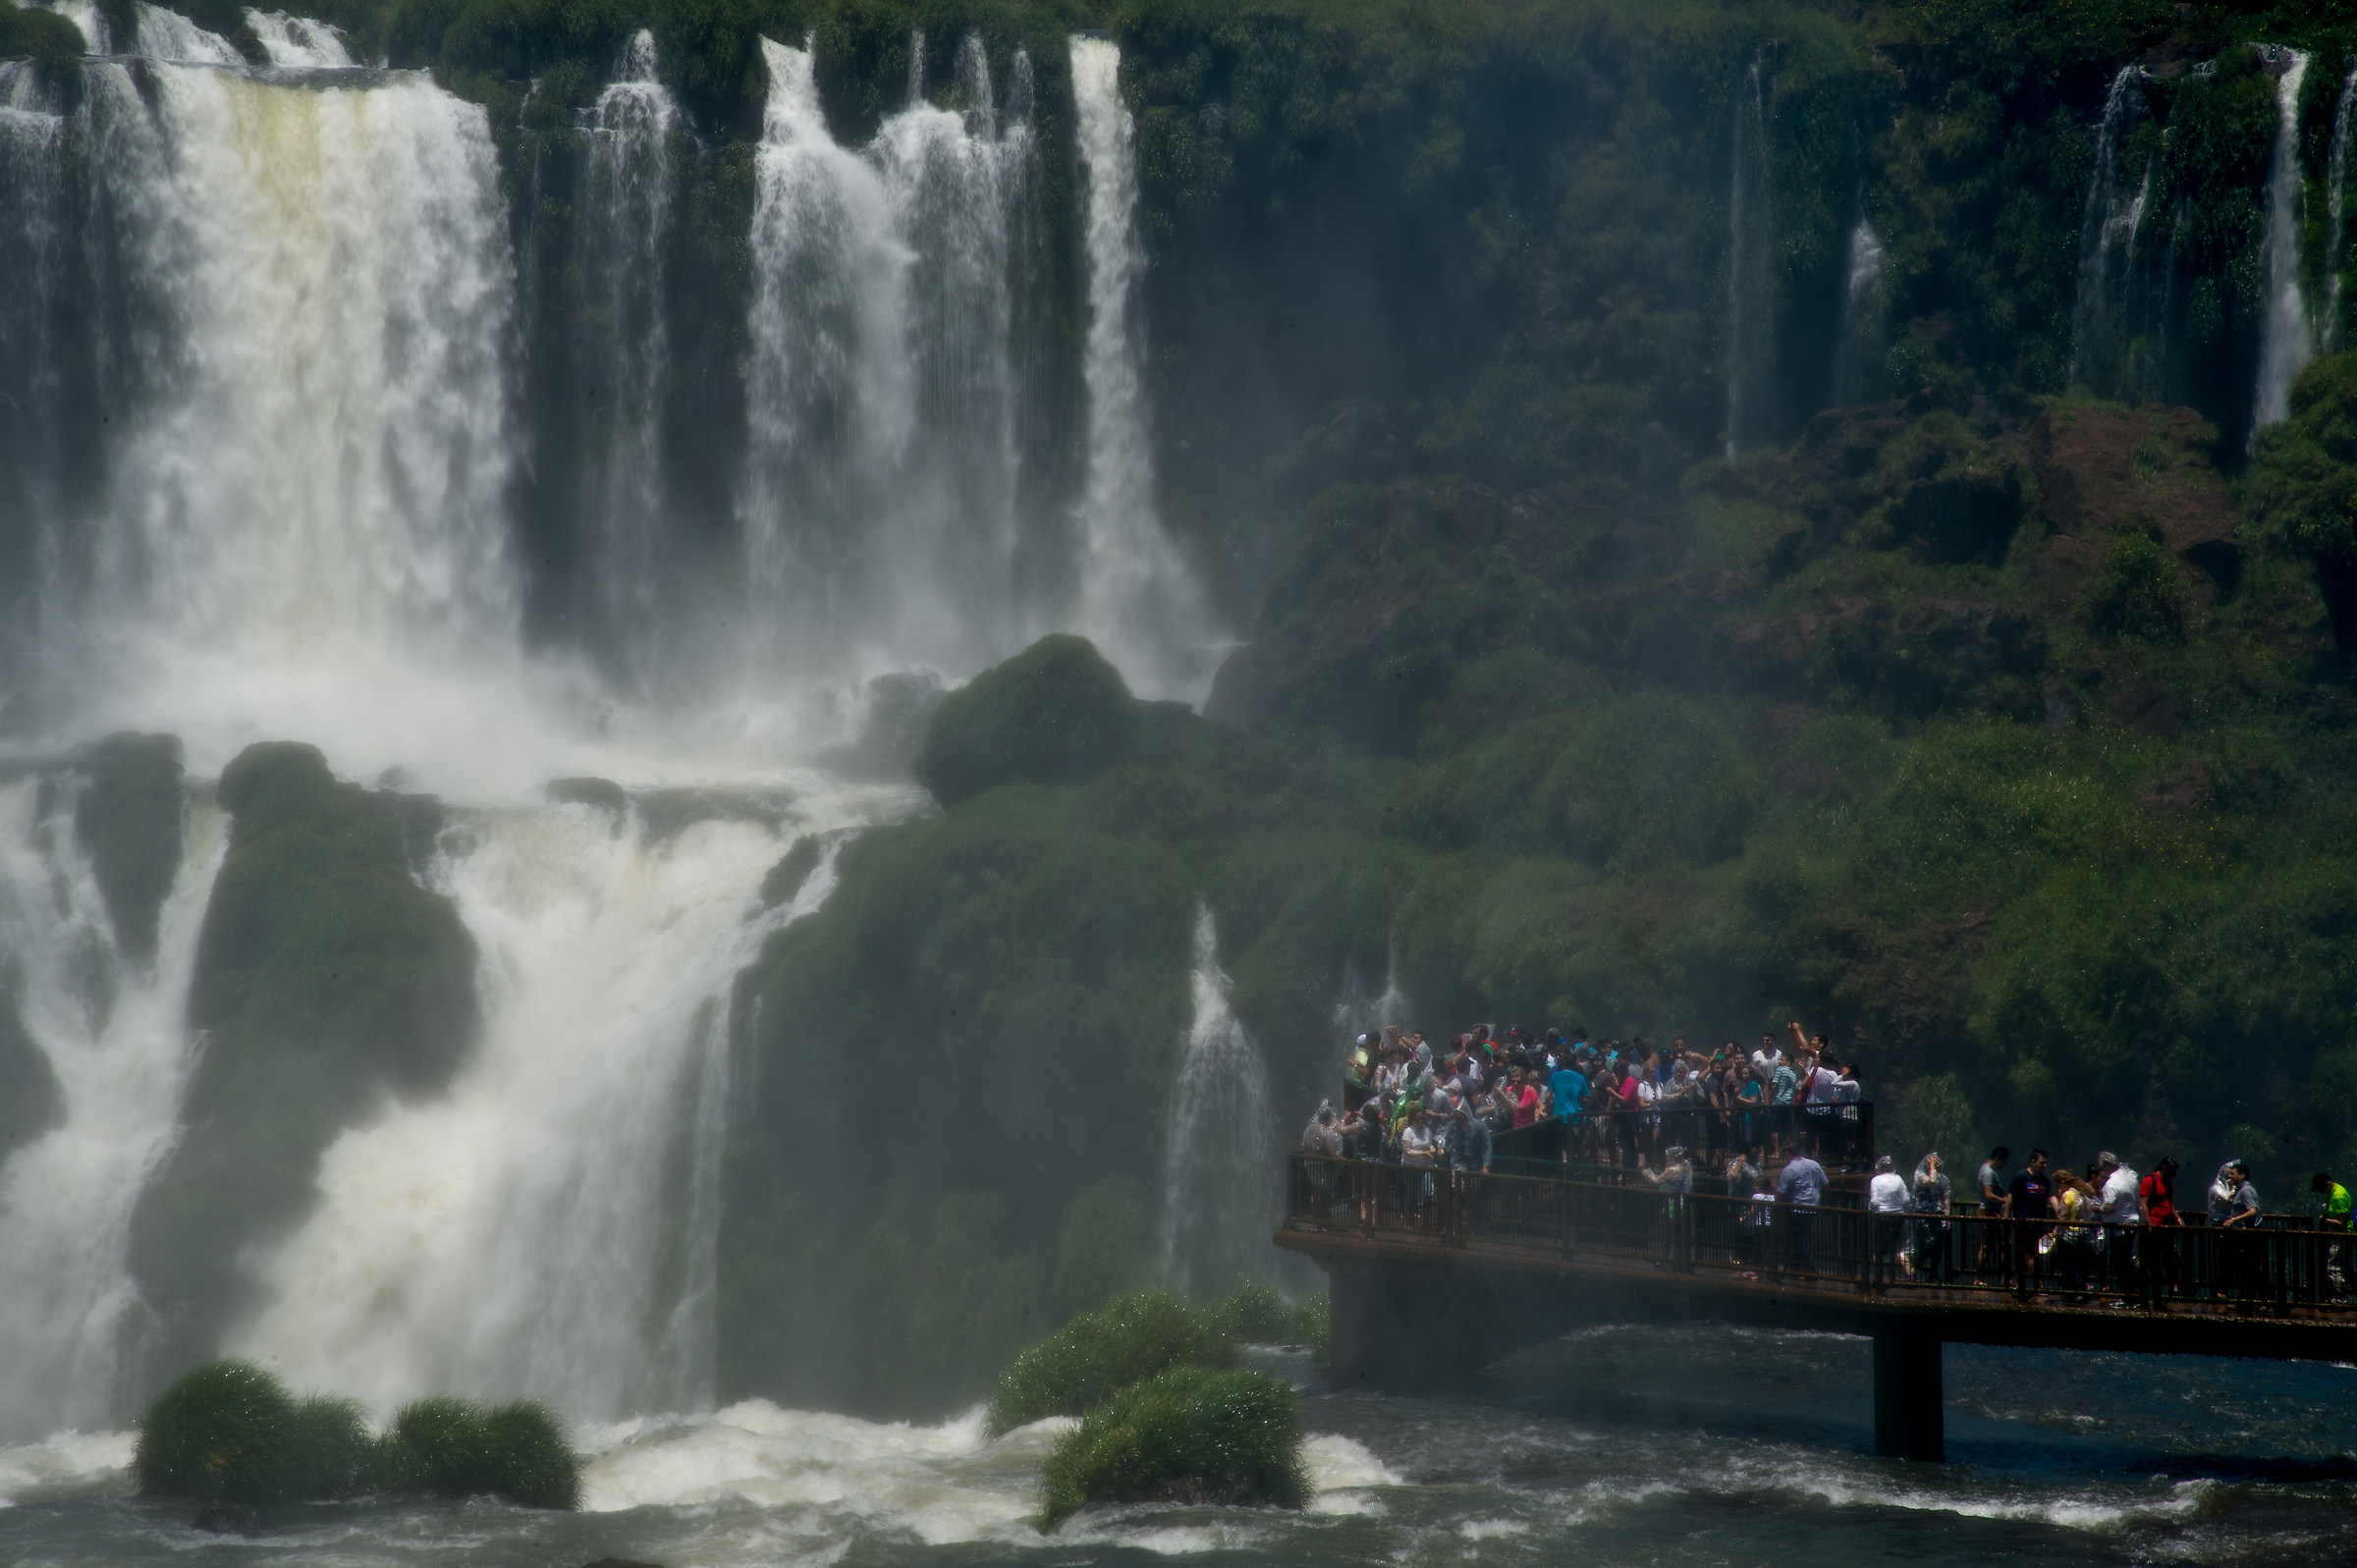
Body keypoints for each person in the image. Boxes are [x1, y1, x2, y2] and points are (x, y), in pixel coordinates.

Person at [2007, 1150, 2054, 1295]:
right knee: (2031, 1254)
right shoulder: (2021, 1177)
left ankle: (2015, 1281)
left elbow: (2051, 1198)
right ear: (2032, 1161)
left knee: (2029, 1255)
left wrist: (2059, 1214)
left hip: (2039, 1222)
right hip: (2024, 1222)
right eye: (2041, 1162)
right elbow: (2010, 1198)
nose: (2044, 1165)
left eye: (2046, 1162)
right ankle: (2036, 1285)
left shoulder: (2045, 1180)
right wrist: (2005, 1218)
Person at [2095, 1152, 2140, 1300]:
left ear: (2105, 1166)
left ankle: (2127, 1295)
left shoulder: (2111, 1183)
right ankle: (2132, 1293)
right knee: (2129, 1259)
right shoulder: (2131, 1176)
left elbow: (2109, 1208)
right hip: (2133, 1223)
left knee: (2120, 1262)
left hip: (2118, 1227)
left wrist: (2098, 1209)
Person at [1778, 1149, 1829, 1275]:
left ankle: (1809, 1269)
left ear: (1787, 1153)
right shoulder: (1814, 1164)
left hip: (1797, 1208)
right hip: (1813, 1206)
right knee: (1803, 1237)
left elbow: (1781, 1193)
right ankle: (1799, 1267)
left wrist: (1781, 1205)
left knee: (1800, 1239)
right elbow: (1826, 1185)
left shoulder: (1789, 1169)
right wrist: (1825, 1203)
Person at [1867, 1155, 1909, 1282]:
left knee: (1880, 1248)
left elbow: (1874, 1201)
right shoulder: (1899, 1179)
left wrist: (1874, 1211)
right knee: (1898, 1247)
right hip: (1898, 1217)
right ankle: (1909, 1276)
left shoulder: (1875, 1180)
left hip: (1882, 1217)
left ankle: (1878, 1278)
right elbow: (1906, 1200)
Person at [1911, 1153, 1952, 1281]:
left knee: (1938, 1245)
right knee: (1930, 1243)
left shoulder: (1944, 1179)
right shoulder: (1920, 1176)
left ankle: (1933, 1274)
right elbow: (1931, 1181)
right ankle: (1917, 1265)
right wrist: (1932, 1167)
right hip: (1922, 1213)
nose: (1938, 1168)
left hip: (1938, 1214)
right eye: (1936, 1165)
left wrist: (1948, 1216)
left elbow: (1946, 1197)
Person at [1974, 1147, 2011, 1281]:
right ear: (1997, 1158)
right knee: (1988, 1246)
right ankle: (1979, 1279)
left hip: (1992, 1211)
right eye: (2003, 1161)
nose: (2004, 1164)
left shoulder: (1985, 1169)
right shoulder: (1988, 1172)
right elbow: (1988, 1195)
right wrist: (2005, 1200)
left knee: (2002, 1243)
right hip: (1989, 1211)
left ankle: (2002, 1278)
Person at [2315, 1171, 2352, 1297]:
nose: (2320, 1191)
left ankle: (2339, 1300)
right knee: (2345, 1269)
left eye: (2320, 1188)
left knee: (2334, 1268)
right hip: (2338, 1235)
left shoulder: (2338, 1196)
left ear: (2326, 1184)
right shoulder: (2331, 1193)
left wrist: (2325, 1220)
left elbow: (2341, 1222)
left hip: (2342, 1236)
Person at [1447, 1102, 1493, 1177]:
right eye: (1456, 1118)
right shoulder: (1457, 1126)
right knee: (1458, 1185)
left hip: (1476, 1163)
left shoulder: (1479, 1125)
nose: (1458, 1121)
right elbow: (1454, 1144)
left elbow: (1487, 1145)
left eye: (1459, 1118)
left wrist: (1486, 1165)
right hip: (1461, 1163)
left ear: (1465, 1115)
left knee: (1473, 1186)